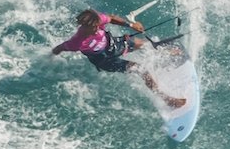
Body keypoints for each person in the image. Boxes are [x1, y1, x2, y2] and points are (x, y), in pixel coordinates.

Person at [50, 9, 187, 110]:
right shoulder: (77, 42)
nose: (97, 28)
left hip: (113, 45)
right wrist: (48, 58)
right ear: (84, 27)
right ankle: (166, 99)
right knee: (140, 69)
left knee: (141, 43)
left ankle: (165, 52)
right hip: (106, 61)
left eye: (98, 25)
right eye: (94, 27)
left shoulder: (97, 20)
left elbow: (111, 18)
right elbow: (59, 48)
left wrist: (130, 25)